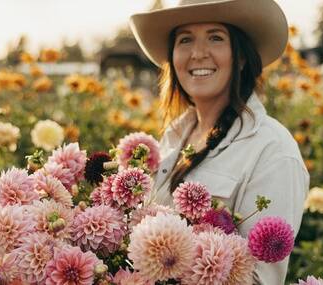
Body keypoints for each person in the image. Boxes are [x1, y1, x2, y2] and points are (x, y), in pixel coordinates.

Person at [129, 0, 310, 284]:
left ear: (240, 57)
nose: (198, 53)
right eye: (185, 39)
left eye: (215, 37)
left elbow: (260, 278)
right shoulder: (173, 137)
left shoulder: (273, 150)